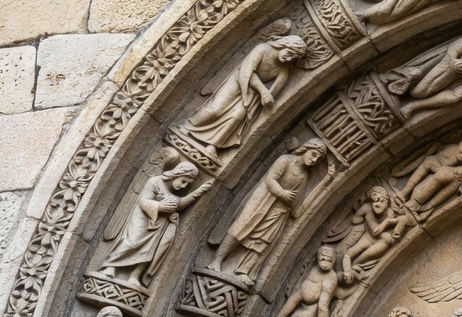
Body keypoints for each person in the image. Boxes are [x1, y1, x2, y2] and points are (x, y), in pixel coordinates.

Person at [211, 139, 331, 281]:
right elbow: (271, 179)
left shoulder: (304, 176)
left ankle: (244, 270)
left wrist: (325, 182)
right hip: (263, 199)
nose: (314, 160)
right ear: (306, 149)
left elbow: (297, 204)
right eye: (313, 154)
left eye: (317, 159)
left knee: (264, 239)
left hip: (279, 210)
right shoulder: (285, 160)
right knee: (242, 227)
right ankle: (217, 260)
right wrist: (282, 193)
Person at [182, 28, 304, 158]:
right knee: (215, 109)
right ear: (284, 45)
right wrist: (263, 90)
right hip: (238, 81)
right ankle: (188, 126)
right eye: (290, 53)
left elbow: (273, 92)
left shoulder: (283, 71)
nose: (288, 58)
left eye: (293, 58)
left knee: (238, 116)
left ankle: (213, 145)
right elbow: (247, 71)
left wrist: (268, 97)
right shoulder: (263, 49)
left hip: (253, 93)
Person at [97, 162, 213, 289]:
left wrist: (200, 191)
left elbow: (180, 204)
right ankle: (110, 266)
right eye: (183, 181)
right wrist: (160, 206)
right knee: (132, 241)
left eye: (187, 184)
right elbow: (144, 200)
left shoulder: (174, 193)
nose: (183, 186)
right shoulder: (155, 181)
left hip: (159, 224)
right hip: (143, 218)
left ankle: (135, 276)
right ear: (177, 174)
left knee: (149, 251)